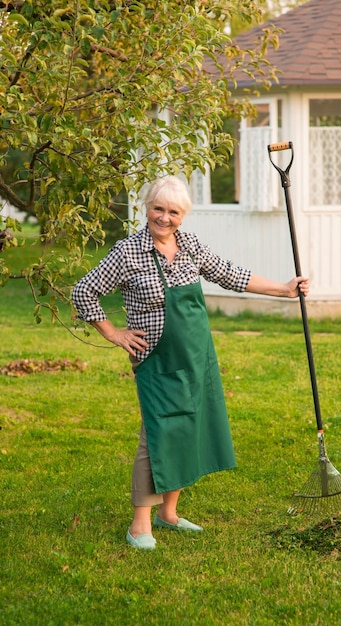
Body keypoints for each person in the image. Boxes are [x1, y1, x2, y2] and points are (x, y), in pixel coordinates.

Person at [72, 176, 309, 550]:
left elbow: (230, 274)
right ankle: (139, 525)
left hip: (196, 355)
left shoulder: (190, 245)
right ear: (145, 207)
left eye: (173, 211)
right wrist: (114, 334)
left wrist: (283, 289)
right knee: (157, 434)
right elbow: (83, 291)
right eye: (158, 208)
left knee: (186, 428)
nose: (164, 218)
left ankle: (169, 513)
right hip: (155, 359)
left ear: (183, 216)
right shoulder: (128, 252)